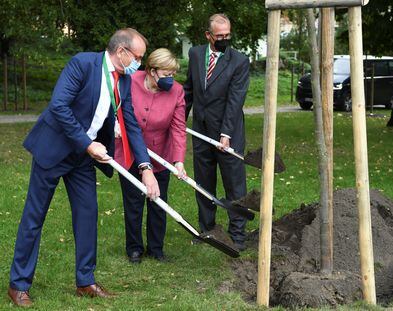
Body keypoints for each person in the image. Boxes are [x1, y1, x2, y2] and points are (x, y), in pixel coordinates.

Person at [7, 28, 160, 307]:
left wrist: (146, 167)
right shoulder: (82, 64)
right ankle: (18, 285)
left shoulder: (124, 80)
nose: (140, 63)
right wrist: (88, 145)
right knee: (34, 217)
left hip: (82, 160)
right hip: (53, 150)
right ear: (122, 52)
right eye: (138, 57)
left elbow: (131, 124)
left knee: (88, 216)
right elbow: (59, 106)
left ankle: (85, 281)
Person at [184, 13, 250, 251]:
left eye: (227, 35)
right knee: (203, 182)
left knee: (234, 185)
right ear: (208, 35)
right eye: (219, 36)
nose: (224, 39)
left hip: (228, 132)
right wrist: (178, 123)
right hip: (201, 130)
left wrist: (226, 133)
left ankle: (238, 234)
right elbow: (189, 90)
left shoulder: (239, 61)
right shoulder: (195, 54)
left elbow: (235, 101)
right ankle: (207, 229)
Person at [115, 48, 186, 263]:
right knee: (133, 202)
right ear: (151, 71)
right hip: (129, 153)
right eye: (166, 74)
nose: (170, 79)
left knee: (158, 201)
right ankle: (134, 248)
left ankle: (156, 248)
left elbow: (178, 128)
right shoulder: (129, 81)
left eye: (173, 74)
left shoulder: (177, 92)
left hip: (159, 154)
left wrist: (178, 160)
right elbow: (115, 107)